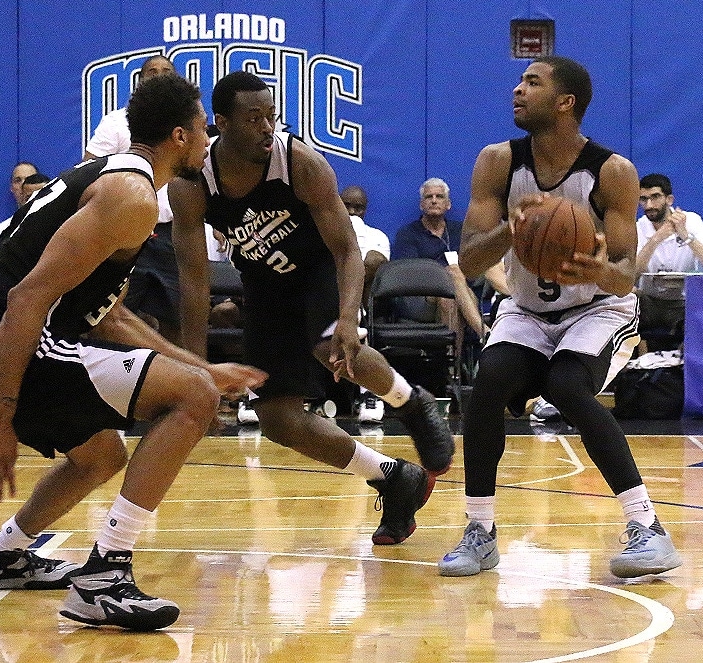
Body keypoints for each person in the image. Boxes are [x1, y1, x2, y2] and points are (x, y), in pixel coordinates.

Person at [0, 73, 265, 631]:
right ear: (178, 136)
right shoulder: (131, 196)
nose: (208, 140)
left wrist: (205, 367)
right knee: (192, 400)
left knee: (102, 455)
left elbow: (113, 316)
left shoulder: (125, 186)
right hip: (9, 331)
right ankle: (104, 577)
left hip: (2, 329)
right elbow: (27, 298)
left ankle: (5, 555)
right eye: (202, 129)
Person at [168, 70, 455, 546]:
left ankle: (414, 404)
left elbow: (347, 250)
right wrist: (199, 370)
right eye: (253, 117)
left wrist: (347, 319)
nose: (266, 127)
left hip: (321, 269)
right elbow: (194, 283)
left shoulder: (299, 161)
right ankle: (392, 476)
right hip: (264, 287)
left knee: (332, 347)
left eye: (271, 115)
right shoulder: (193, 182)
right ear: (221, 122)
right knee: (278, 421)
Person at [439, 56, 682, 579]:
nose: (517, 90)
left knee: (569, 387)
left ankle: (648, 528)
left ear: (566, 102)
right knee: (488, 387)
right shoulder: (498, 161)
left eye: (532, 82)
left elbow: (624, 278)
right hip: (528, 309)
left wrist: (597, 268)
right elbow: (471, 260)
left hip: (599, 308)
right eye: (521, 81)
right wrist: (512, 229)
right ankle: (480, 531)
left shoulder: (611, 172)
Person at [84, 55, 185, 345]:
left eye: (166, 71)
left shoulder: (187, 127)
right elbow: (91, 168)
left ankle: (177, 385)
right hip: (126, 232)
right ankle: (122, 384)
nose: (159, 75)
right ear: (139, 83)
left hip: (171, 233)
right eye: (151, 72)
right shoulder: (116, 122)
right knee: (114, 317)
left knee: (176, 318)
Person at [392, 179, 488, 350]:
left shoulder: (460, 231)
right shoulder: (408, 234)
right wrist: (443, 276)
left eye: (439, 196)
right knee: (451, 276)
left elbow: (474, 268)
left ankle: (452, 371)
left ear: (448, 204)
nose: (434, 200)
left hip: (458, 294)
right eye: (429, 197)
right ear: (422, 204)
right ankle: (484, 332)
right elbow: (409, 276)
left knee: (449, 300)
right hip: (420, 298)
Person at [634, 173, 703, 351]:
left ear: (669, 199)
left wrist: (685, 236)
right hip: (649, 300)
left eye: (655, 197)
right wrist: (656, 239)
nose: (649, 205)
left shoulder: (691, 221)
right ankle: (636, 365)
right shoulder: (638, 227)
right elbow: (632, 273)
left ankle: (684, 367)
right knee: (626, 301)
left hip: (681, 301)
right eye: (643, 199)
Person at [340, 184, 390, 423]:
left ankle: (369, 392)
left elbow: (373, 264)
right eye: (346, 206)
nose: (351, 212)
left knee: (356, 319)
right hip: (323, 300)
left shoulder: (376, 236)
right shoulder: (319, 232)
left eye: (357, 208)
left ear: (365, 210)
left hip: (362, 306)